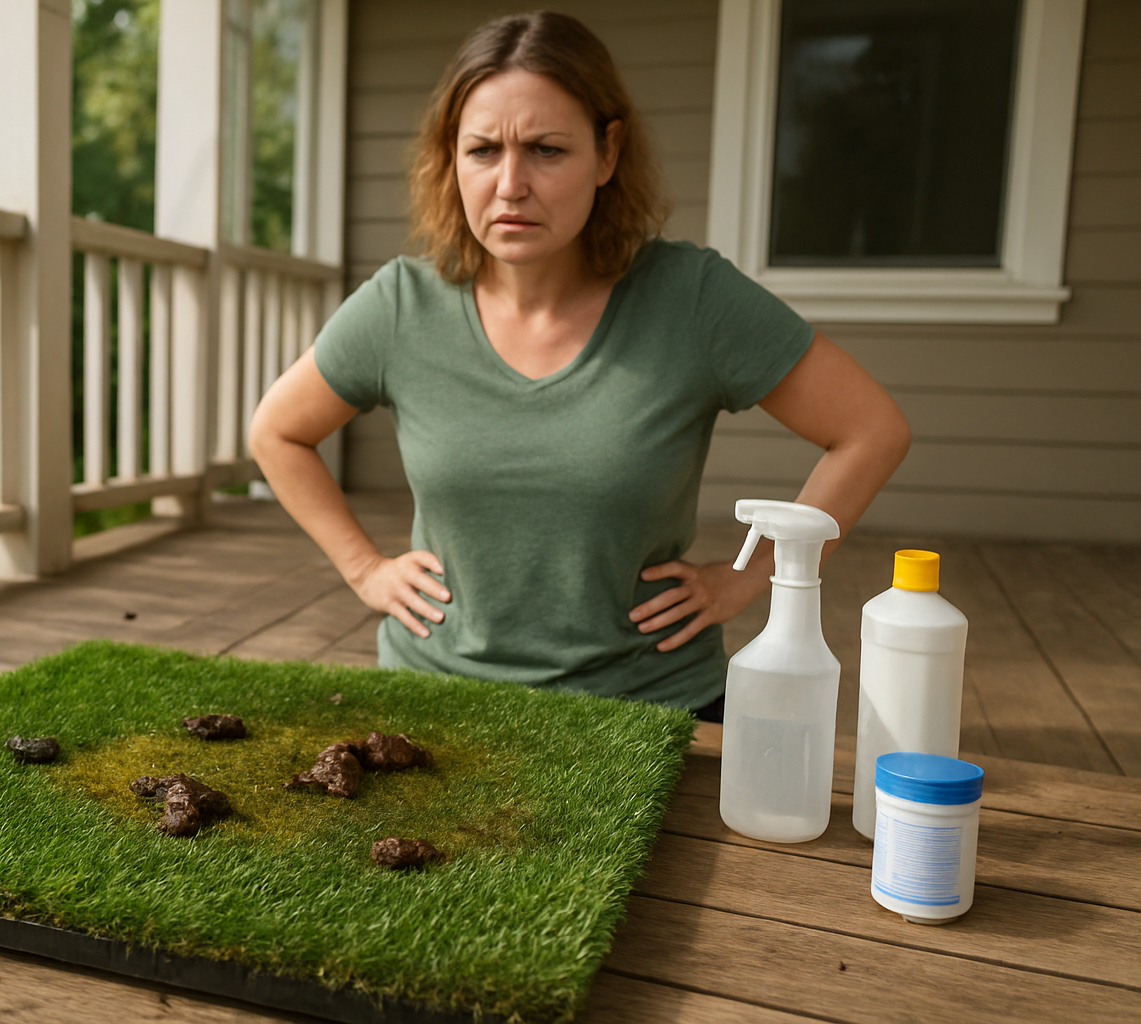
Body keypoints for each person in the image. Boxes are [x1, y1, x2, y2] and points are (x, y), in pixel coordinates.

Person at [249, 11, 910, 718]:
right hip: (435, 697)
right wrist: (364, 569)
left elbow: (871, 429)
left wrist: (755, 577)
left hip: (647, 705)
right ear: (452, 159)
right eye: (481, 150)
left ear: (607, 153)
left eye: (546, 150)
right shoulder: (400, 305)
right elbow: (276, 433)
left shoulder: (692, 299)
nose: (510, 184)